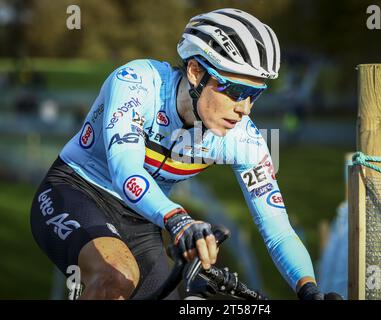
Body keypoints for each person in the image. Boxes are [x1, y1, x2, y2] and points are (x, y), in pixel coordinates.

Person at [30, 8, 341, 300]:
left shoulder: (244, 138)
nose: (244, 108)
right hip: (77, 191)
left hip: (143, 218)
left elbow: (277, 230)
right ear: (195, 71)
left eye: (254, 95)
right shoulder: (138, 84)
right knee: (117, 277)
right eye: (234, 91)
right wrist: (178, 220)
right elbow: (126, 172)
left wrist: (309, 290)